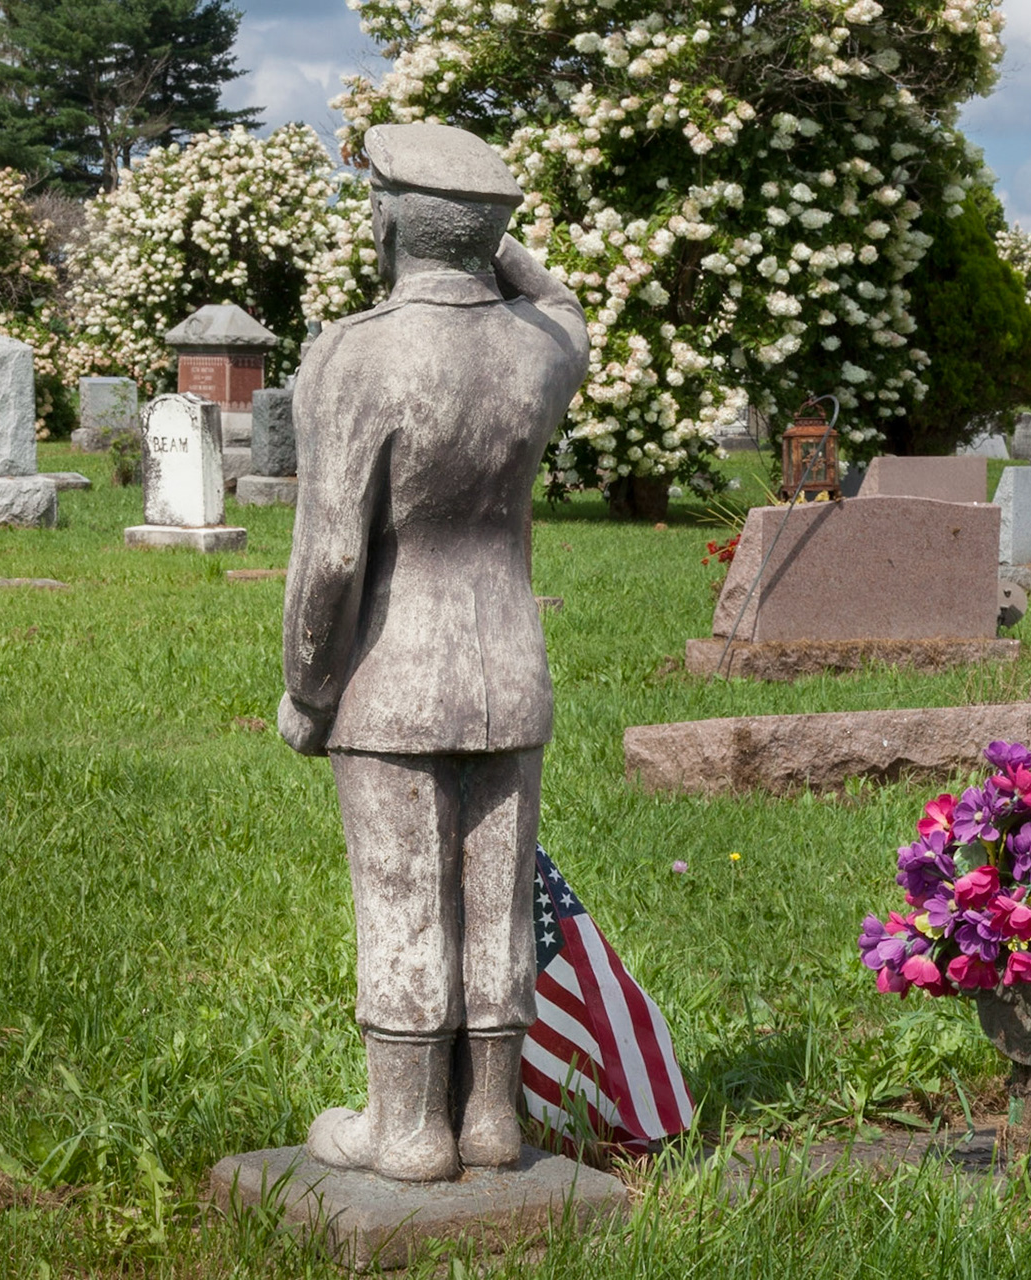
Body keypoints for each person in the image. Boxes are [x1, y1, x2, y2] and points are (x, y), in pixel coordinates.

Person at [278, 122, 588, 1182]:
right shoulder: (538, 349)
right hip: (511, 663)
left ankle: (407, 1128)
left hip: (394, 675)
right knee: (497, 900)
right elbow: (563, 303)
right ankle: (491, 1117)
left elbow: (330, 555)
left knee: (404, 897)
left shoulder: (354, 353)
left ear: (394, 217)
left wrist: (308, 689)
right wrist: (487, 240)